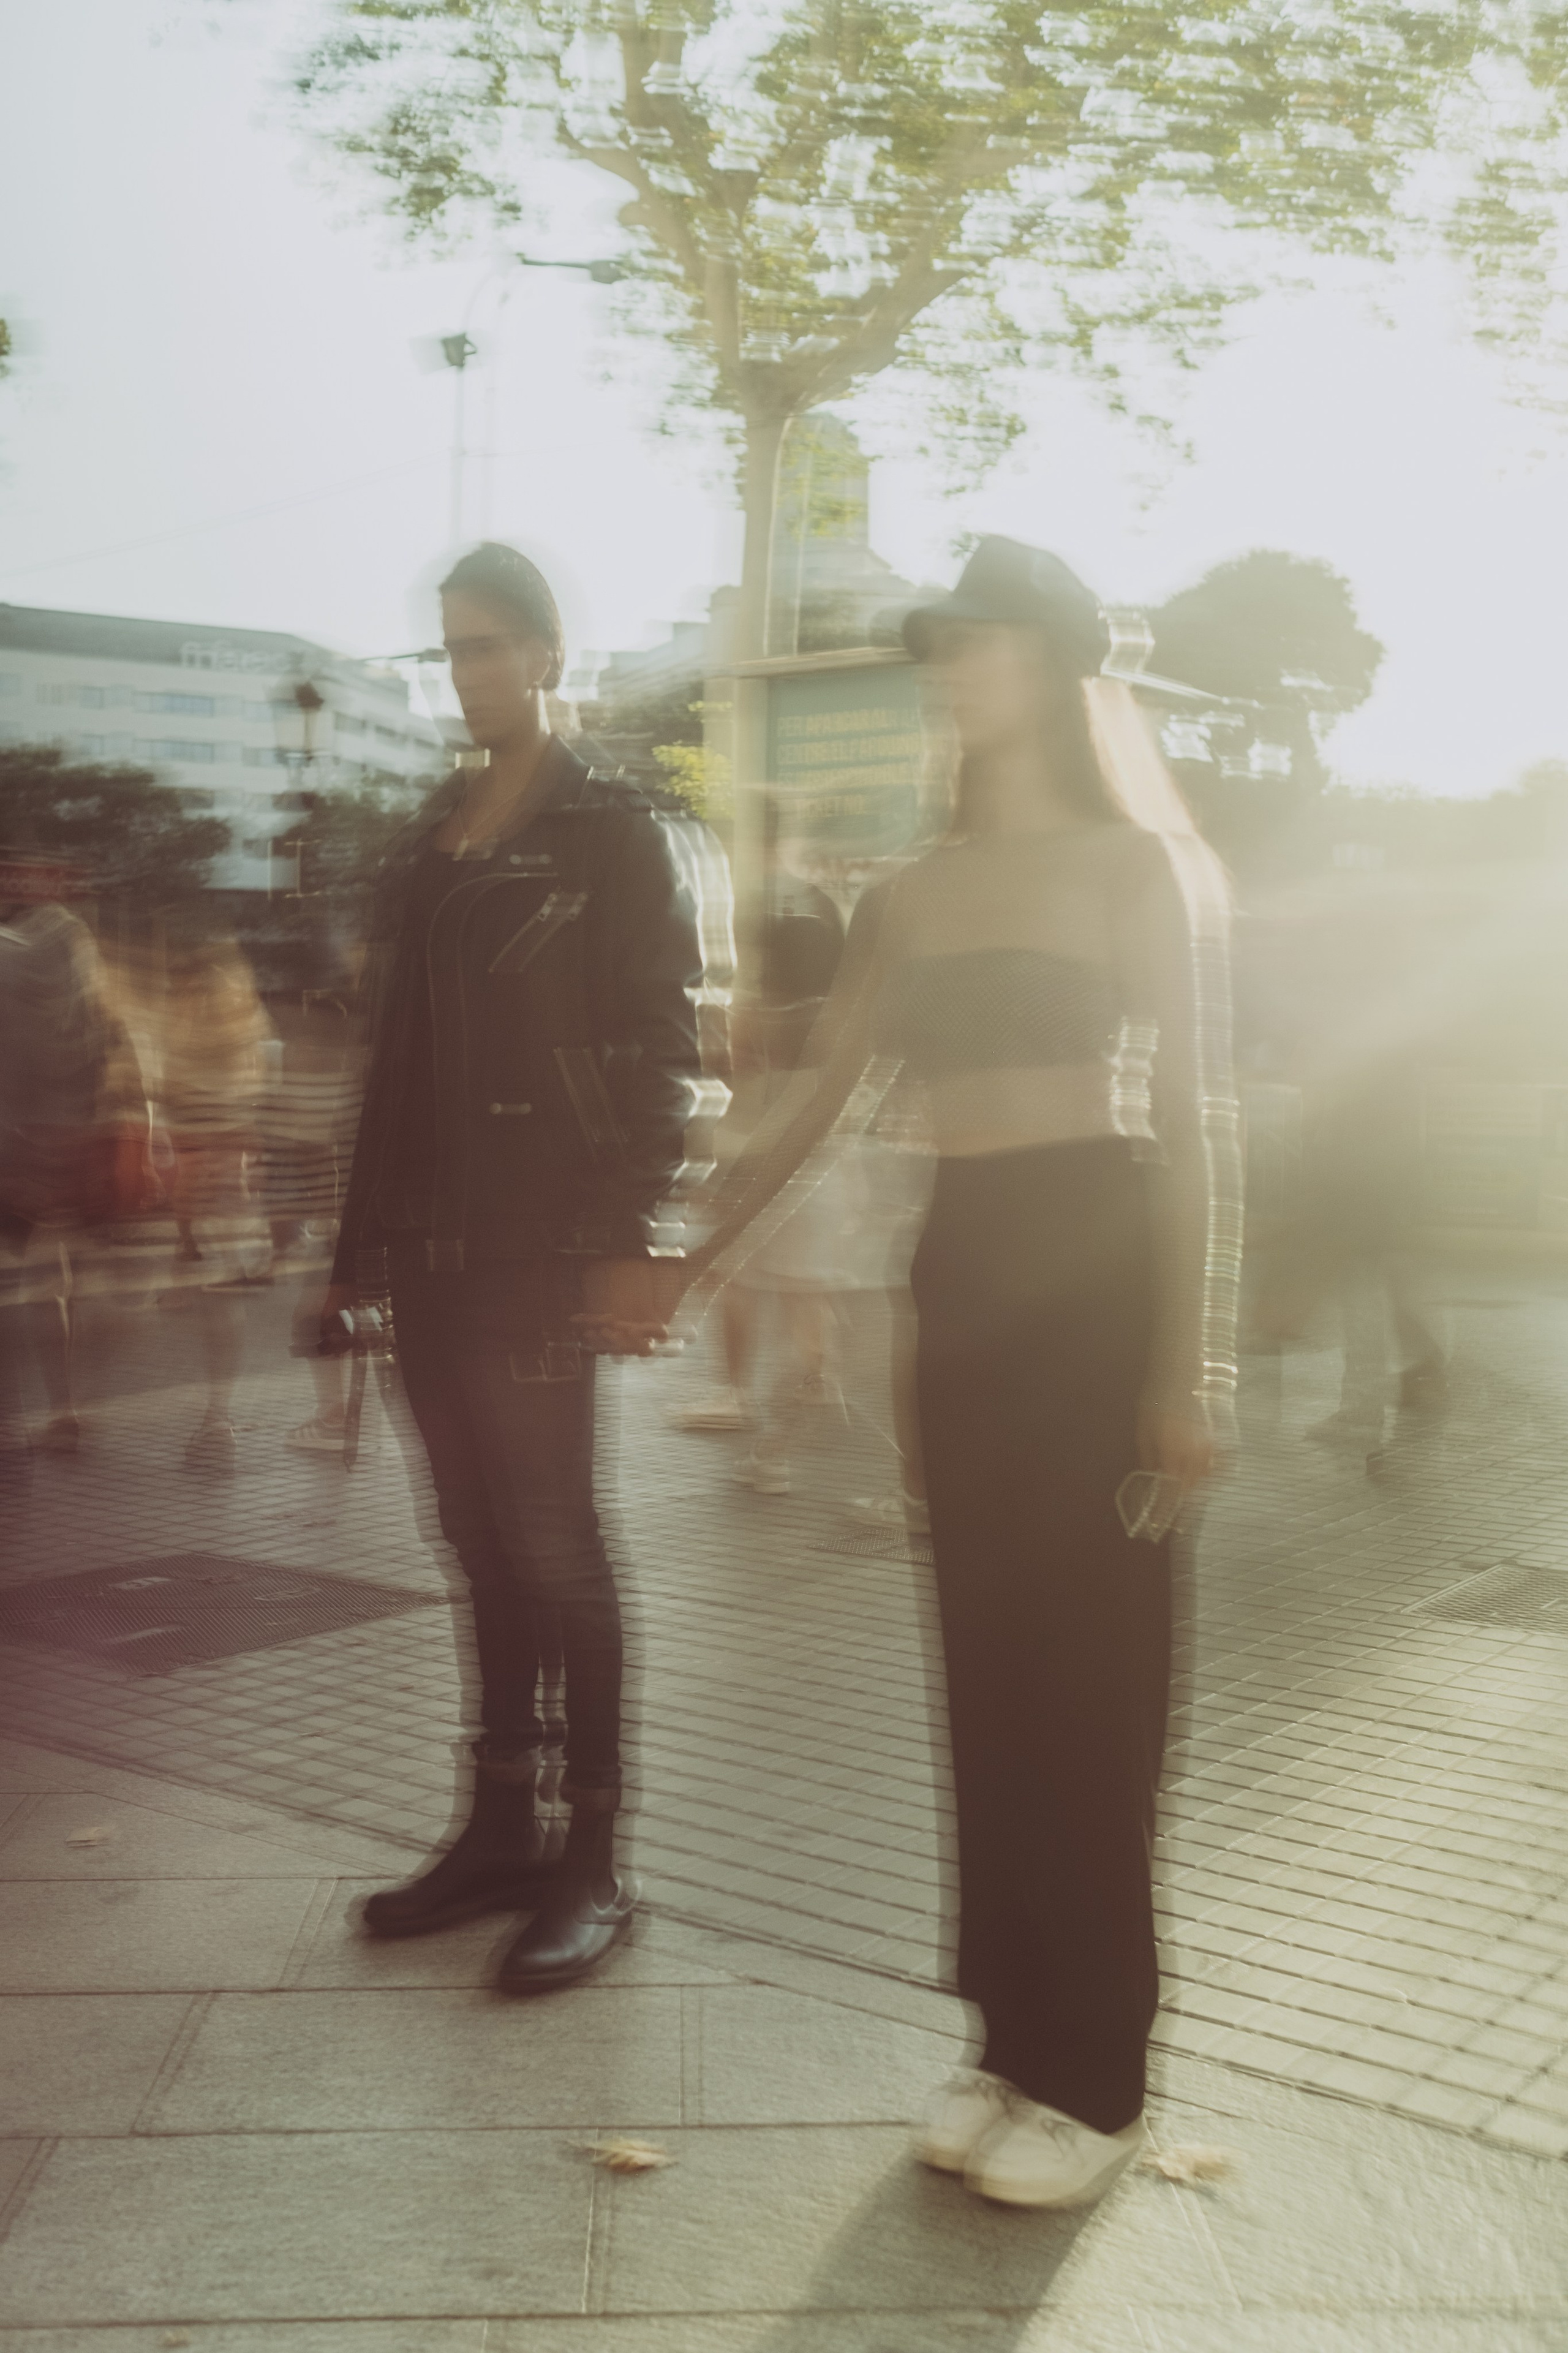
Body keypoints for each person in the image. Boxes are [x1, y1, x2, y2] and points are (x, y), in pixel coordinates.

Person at [679, 538, 1238, 2207]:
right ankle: (1008, 2038)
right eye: (939, 645)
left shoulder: (1130, 865)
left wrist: (1185, 1360)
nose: (948, 665)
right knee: (987, 1675)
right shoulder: (914, 888)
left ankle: (1102, 2073)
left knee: (1098, 1684)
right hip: (967, 1264)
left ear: (1055, 665)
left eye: (975, 641)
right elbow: (824, 1092)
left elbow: (1192, 1126)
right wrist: (689, 1232)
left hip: (1097, 1245)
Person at [325, 542, 703, 1991]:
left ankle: (595, 1859)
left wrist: (630, 1236)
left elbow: (661, 1050)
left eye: (491, 646)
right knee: (473, 1539)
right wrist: (352, 1252)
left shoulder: (612, 829)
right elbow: (396, 1062)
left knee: (556, 1541)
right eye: (452, 650)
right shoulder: (434, 840)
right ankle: (497, 1825)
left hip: (545, 1248)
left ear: (549, 654)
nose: (470, 672)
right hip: (428, 1249)